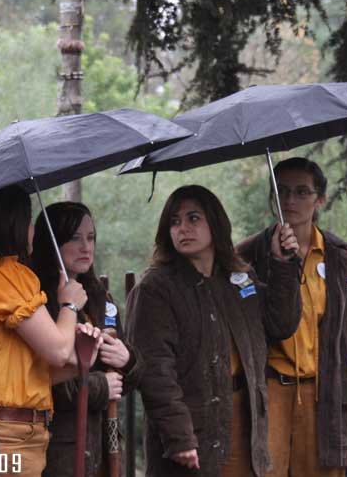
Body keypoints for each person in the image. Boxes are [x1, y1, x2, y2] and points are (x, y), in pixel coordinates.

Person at [236, 158, 347, 477]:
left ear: (320, 200)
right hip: (267, 389)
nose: (290, 200)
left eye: (302, 192)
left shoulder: (342, 259)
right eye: (282, 191)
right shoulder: (247, 257)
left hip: (323, 393)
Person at [126, 185, 302, 477]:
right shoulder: (155, 289)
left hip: (245, 426)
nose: (183, 228)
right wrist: (179, 437)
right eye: (175, 221)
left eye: (193, 218)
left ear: (215, 223)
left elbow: (281, 324)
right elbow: (155, 373)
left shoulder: (238, 279)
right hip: (193, 433)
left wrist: (284, 264)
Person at [0, 185, 100, 477]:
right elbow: (57, 350)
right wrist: (69, 305)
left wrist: (84, 360)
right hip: (1, 439)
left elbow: (31, 374)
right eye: (28, 221)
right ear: (10, 224)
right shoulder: (4, 275)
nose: (32, 231)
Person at [29, 201, 143, 477]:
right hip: (60, 451)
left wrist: (128, 361)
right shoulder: (36, 301)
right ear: (51, 242)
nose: (86, 247)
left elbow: (123, 380)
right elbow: (38, 380)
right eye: (74, 238)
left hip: (105, 446)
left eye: (91, 238)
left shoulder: (100, 297)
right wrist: (100, 386)